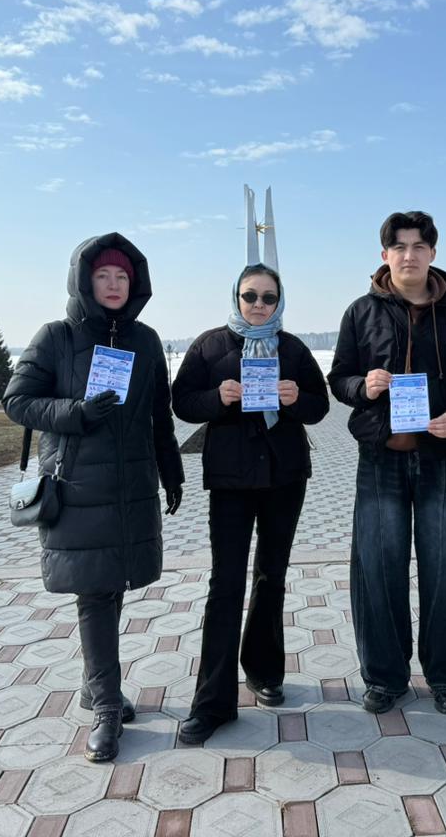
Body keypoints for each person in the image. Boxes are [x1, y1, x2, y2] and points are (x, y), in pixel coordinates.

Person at [3, 234, 184, 762]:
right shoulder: (56, 337)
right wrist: (75, 413)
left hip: (131, 487)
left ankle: (93, 684)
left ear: (135, 284)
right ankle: (106, 704)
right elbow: (17, 401)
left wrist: (170, 472)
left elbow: (159, 413)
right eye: (102, 276)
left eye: (121, 277)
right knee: (96, 591)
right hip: (79, 486)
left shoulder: (146, 341)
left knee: (113, 584)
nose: (112, 285)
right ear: (84, 280)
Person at [327, 210, 446, 716]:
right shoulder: (361, 312)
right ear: (384, 255)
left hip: (442, 459)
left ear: (433, 254)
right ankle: (384, 676)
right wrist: (363, 386)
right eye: (399, 246)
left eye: (419, 246)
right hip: (380, 459)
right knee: (377, 568)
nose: (409, 255)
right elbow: (339, 379)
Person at [170, 263, 329, 743]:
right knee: (225, 584)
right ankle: (213, 701)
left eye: (267, 297)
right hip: (231, 481)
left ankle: (264, 671)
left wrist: (296, 397)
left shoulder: (294, 348)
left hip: (284, 477)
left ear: (279, 302)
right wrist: (217, 397)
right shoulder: (210, 345)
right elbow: (181, 401)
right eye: (250, 296)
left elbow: (320, 407)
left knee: (271, 576)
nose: (258, 305)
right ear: (235, 298)